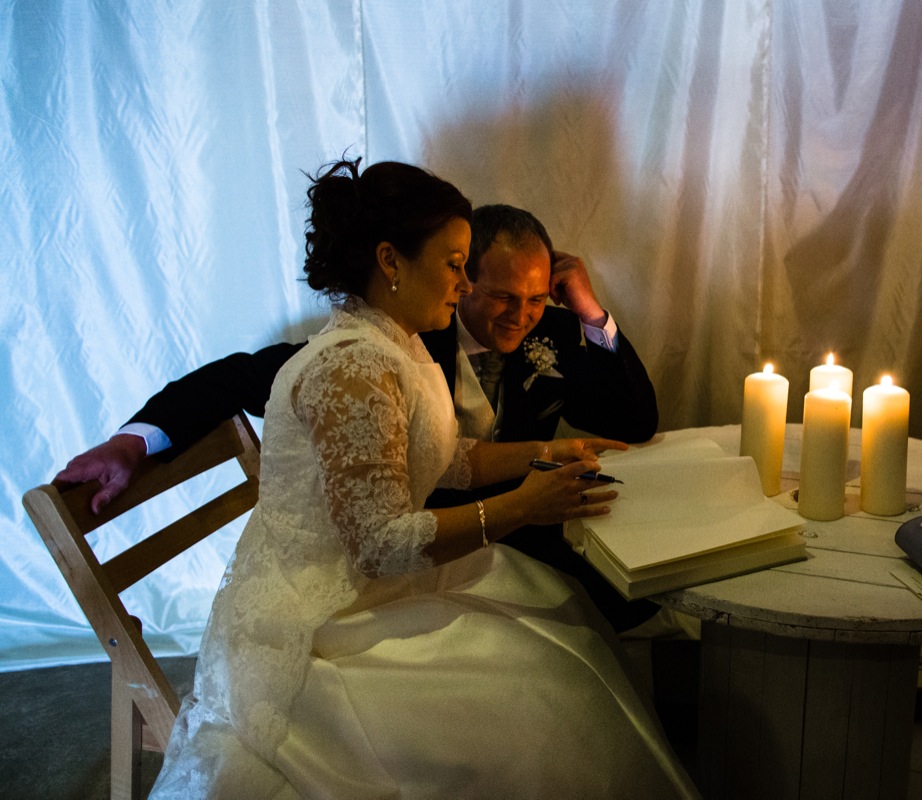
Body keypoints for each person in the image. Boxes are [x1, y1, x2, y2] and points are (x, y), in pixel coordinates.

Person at [147, 159, 697, 798]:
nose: (463, 285)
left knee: (564, 629)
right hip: (333, 612)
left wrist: (549, 450)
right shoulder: (353, 365)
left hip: (398, 575)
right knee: (540, 698)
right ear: (391, 261)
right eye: (456, 264)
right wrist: (523, 506)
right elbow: (379, 546)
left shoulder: (397, 343)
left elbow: (451, 459)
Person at [58, 205, 661, 631]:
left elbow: (635, 422)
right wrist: (133, 442)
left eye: (535, 299)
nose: (521, 316)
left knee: (633, 594)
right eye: (502, 296)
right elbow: (231, 378)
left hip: (510, 527)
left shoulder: (551, 331)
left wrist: (588, 310)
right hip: (420, 551)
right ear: (463, 278)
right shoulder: (387, 346)